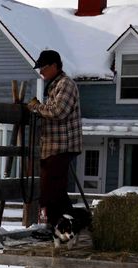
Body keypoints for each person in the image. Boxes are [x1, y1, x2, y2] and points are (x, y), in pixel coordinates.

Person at [26, 50, 82, 233]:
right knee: (54, 191)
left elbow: (58, 111)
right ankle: (64, 228)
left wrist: (35, 107)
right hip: (52, 148)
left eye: (43, 67)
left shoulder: (66, 84)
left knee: (51, 192)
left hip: (61, 147)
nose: (41, 72)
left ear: (54, 66)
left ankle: (62, 228)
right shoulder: (54, 86)